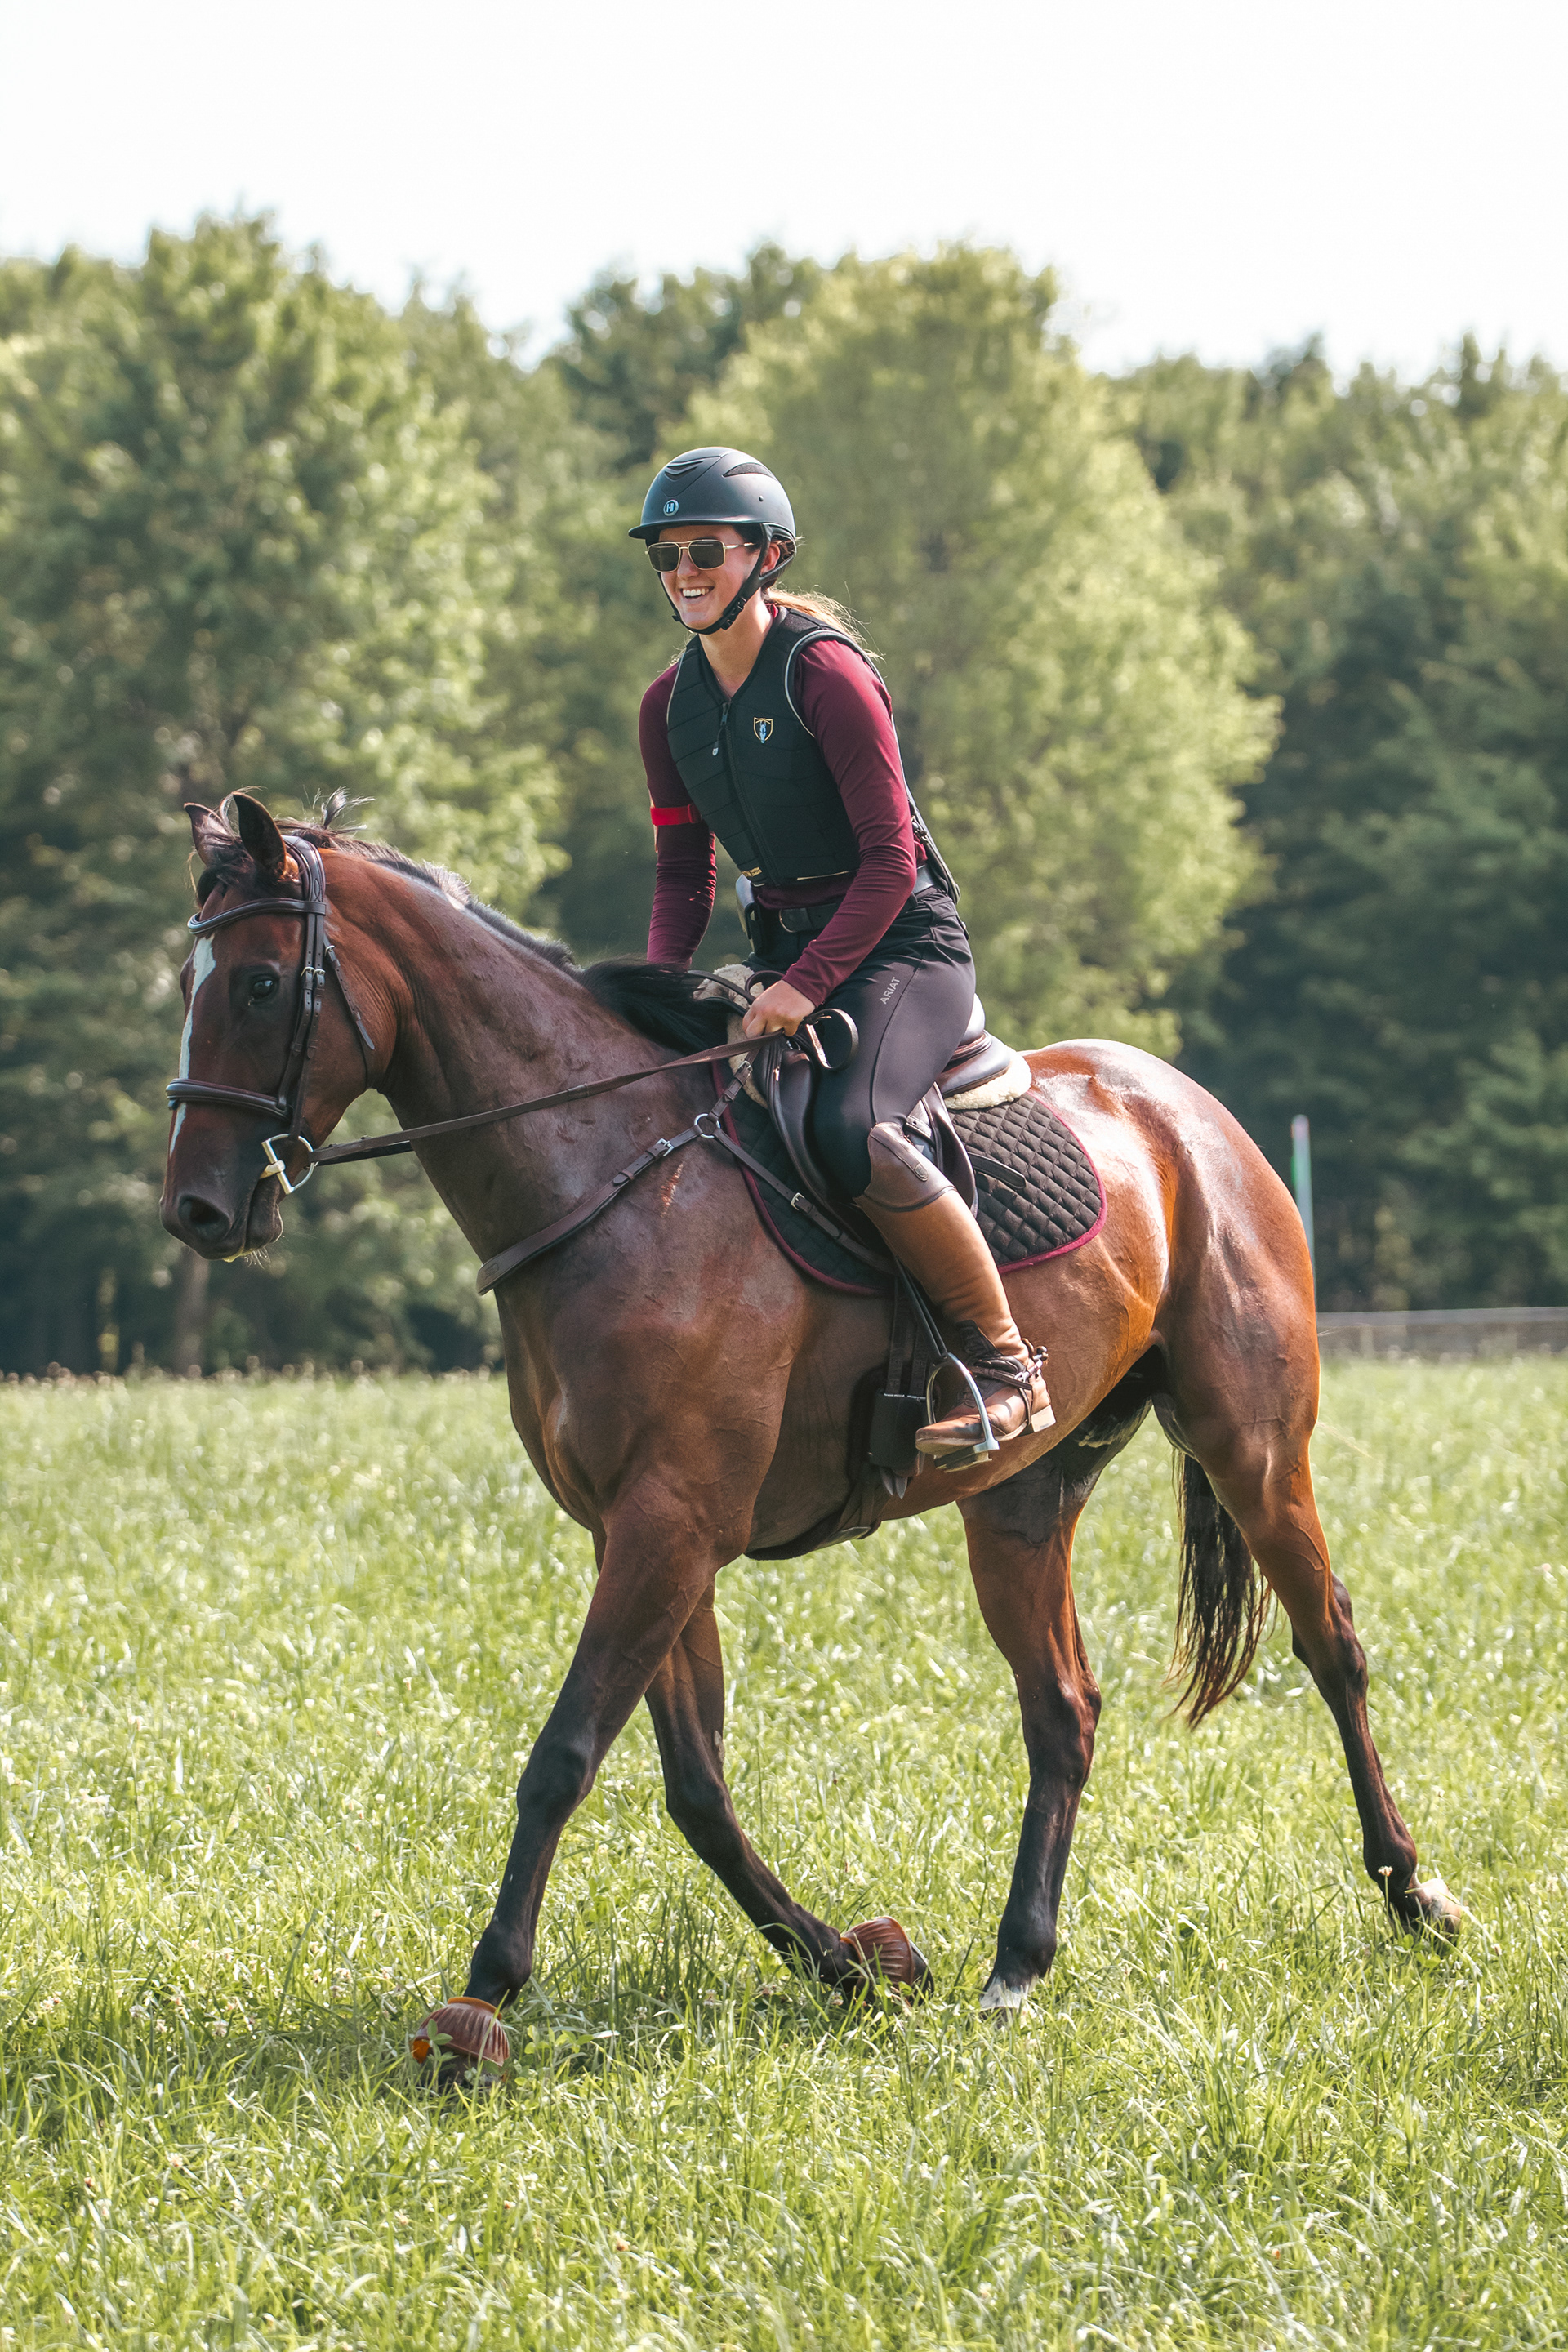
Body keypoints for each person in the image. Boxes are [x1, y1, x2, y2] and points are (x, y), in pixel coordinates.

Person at [630, 445, 1053, 1460]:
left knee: (853, 1125)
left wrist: (807, 986)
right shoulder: (665, 707)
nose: (684, 572)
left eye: (705, 551)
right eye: (666, 554)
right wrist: (650, 997)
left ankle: (1006, 1366)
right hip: (785, 956)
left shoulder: (824, 674)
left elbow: (891, 863)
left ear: (766, 556)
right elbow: (683, 874)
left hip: (904, 944)